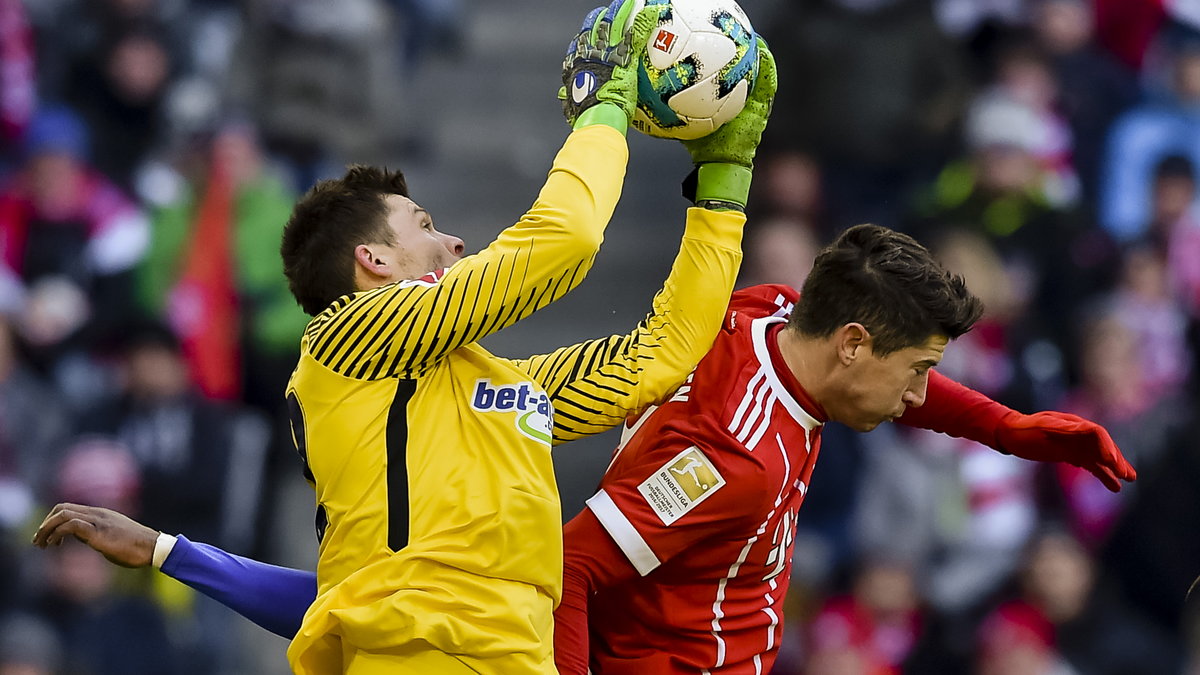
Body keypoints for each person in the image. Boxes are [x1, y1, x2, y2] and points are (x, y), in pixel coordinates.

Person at [37, 2, 776, 673]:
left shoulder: (507, 389)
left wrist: (725, 181)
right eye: (425, 226)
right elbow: (566, 241)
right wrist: (603, 111)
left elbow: (665, 351)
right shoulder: (345, 339)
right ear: (374, 261)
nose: (452, 241)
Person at [33, 226, 1136, 674]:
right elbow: (556, 574)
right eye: (423, 236)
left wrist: (1020, 431)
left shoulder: (763, 314)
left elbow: (353, 599)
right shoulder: (728, 458)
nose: (916, 393)